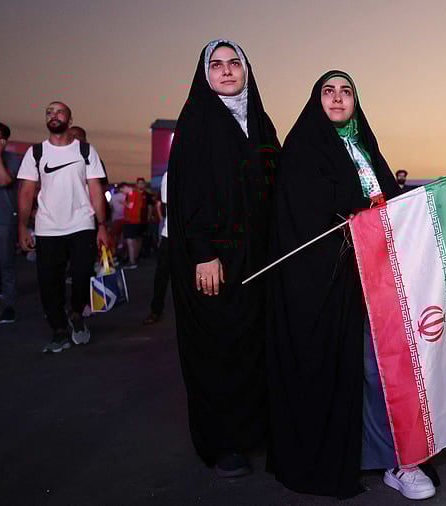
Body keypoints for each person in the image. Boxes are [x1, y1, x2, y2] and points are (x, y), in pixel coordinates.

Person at [267, 71, 437, 500]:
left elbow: (389, 203)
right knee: (347, 368)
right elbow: (300, 215)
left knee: (386, 368)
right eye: (329, 91)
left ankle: (399, 460)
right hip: (330, 281)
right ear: (316, 100)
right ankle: (348, 456)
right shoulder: (304, 148)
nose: (338, 98)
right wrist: (348, 225)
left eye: (346, 92)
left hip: (379, 277)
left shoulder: (366, 146)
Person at [167, 39, 279, 478]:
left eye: (235, 63)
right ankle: (222, 442)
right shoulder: (196, 121)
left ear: (247, 71)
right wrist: (204, 253)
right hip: (213, 259)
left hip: (257, 259)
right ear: (205, 74)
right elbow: (190, 193)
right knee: (217, 348)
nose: (227, 71)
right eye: (217, 65)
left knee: (254, 343)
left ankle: (255, 431)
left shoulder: (261, 122)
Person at [16, 101, 109, 352]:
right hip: (47, 228)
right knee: (49, 282)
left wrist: (101, 226)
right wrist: (23, 228)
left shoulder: (86, 151)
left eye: (59, 111)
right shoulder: (36, 153)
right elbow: (25, 193)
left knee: (81, 274)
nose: (53, 115)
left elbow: (96, 191)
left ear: (69, 119)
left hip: (82, 224)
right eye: (49, 112)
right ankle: (58, 330)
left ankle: (77, 315)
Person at [0, 121, 20, 323]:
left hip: (3, 220)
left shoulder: (12, 159)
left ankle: (9, 306)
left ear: (4, 140)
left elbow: (3, 180)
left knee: (6, 264)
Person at [143, 171, 169, 325]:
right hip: (171, 234)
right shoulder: (170, 174)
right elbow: (165, 208)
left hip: (195, 234)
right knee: (162, 274)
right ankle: (156, 310)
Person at [122, 179, 145, 268]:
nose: (123, 192)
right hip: (134, 221)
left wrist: (123, 202)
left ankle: (132, 262)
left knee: (130, 241)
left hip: (132, 221)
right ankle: (133, 260)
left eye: (122, 190)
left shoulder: (133, 194)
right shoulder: (136, 194)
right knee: (133, 241)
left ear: (126, 187)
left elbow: (130, 206)